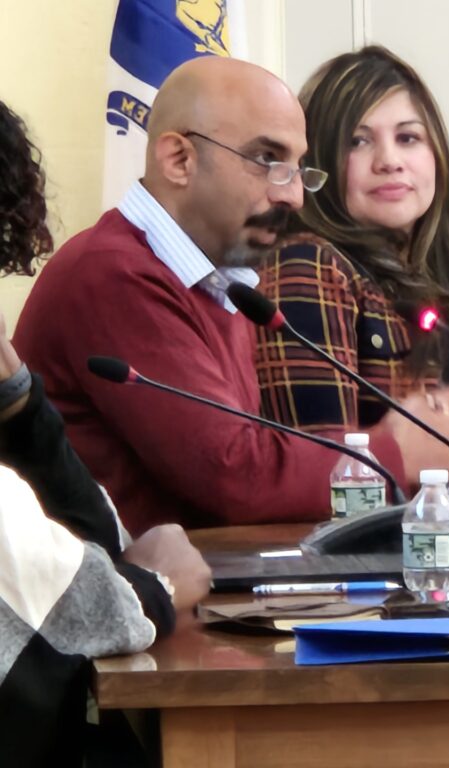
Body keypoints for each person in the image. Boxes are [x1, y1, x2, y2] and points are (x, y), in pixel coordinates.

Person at [14, 57, 449, 535]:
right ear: (179, 160)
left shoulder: (222, 282)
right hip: (121, 598)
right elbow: (232, 473)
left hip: (197, 579)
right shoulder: (111, 273)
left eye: (299, 169)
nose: (294, 196)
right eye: (268, 161)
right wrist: (396, 451)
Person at [0, 99, 210, 767]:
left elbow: (92, 539)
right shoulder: (111, 270)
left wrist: (18, 405)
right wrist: (162, 587)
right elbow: (95, 607)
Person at [254, 45, 449, 439]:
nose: (389, 161)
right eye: (358, 142)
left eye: (408, 138)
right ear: (315, 163)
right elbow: (324, 466)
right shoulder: (306, 265)